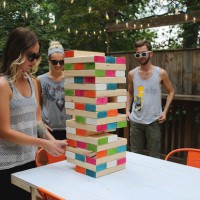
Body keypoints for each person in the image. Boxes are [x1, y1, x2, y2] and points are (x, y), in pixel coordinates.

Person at [0, 27, 67, 199]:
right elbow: (4, 131)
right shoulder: (3, 84)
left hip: (29, 161)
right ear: (17, 52)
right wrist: (43, 144)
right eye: (31, 56)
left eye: (37, 56)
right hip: (7, 165)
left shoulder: (31, 81)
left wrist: (54, 142)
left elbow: (37, 121)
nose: (34, 61)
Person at [126, 40, 175, 158]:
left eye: (143, 53)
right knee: (136, 157)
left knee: (154, 158)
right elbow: (130, 92)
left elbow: (171, 91)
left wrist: (165, 111)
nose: (141, 57)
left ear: (150, 54)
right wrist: (127, 110)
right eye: (138, 54)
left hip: (153, 121)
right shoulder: (132, 74)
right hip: (136, 121)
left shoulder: (160, 73)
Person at [37, 41, 71, 140]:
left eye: (61, 62)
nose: (58, 65)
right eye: (54, 62)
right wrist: (40, 126)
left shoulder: (70, 78)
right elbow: (37, 104)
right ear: (48, 60)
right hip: (48, 129)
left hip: (68, 128)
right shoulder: (40, 79)